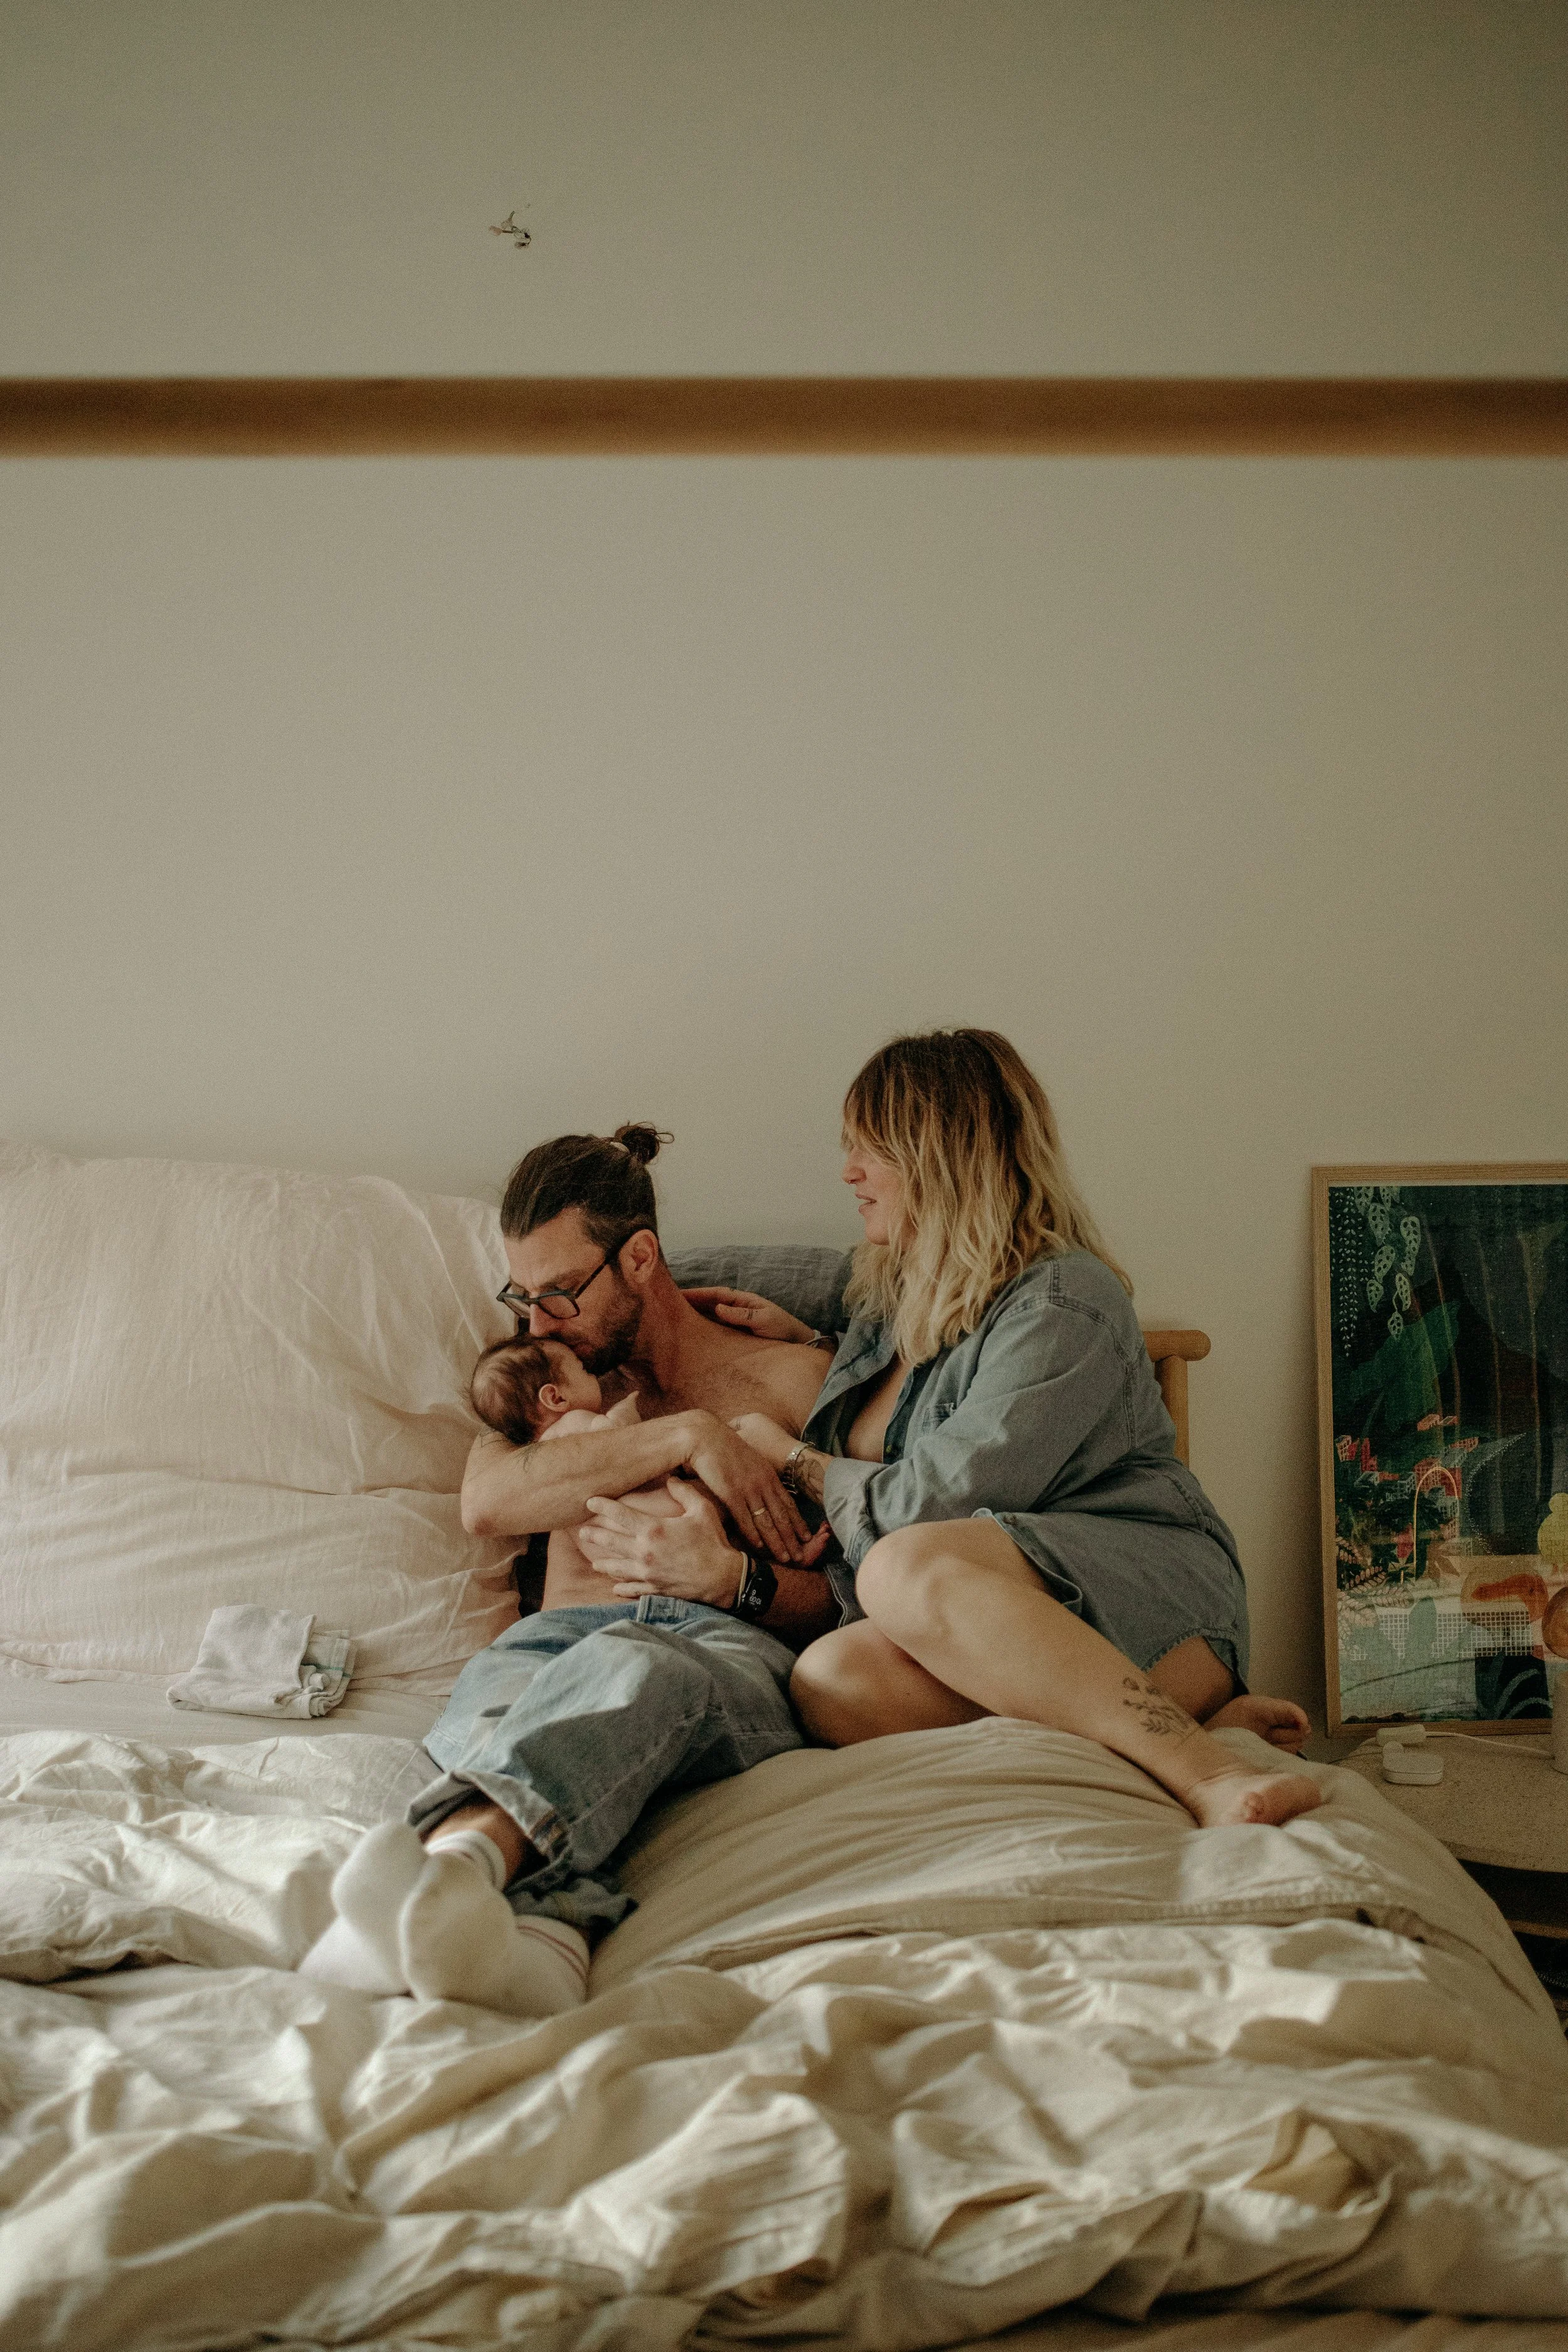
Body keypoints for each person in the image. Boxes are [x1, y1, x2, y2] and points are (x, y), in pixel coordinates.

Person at [582, 1033, 1322, 1835]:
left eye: (868, 1149)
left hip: (1140, 1592)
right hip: (1006, 1626)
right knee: (829, 1679)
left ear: (940, 1155)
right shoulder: (888, 1292)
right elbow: (693, 1272)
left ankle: (1211, 1770)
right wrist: (570, 1301)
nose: (848, 1172)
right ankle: (1179, 1725)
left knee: (899, 1567)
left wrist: (794, 1461)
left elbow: (933, 1505)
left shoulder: (1063, 1302)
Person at [300, 1125, 842, 2018]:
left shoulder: (793, 1382)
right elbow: (489, 1502)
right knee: (495, 1706)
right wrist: (688, 1435)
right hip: (549, 1641)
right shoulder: (549, 1385)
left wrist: (728, 1579)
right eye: (524, 1298)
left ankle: (448, 1864)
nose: (537, 1325)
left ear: (640, 1259)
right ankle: (543, 1944)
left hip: (715, 1650)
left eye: (558, 1296)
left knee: (637, 1668)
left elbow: (851, 1602)